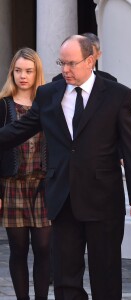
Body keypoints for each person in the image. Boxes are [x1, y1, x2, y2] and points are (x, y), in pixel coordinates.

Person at [0, 35, 131, 300]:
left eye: (71, 63)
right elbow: (19, 130)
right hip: (62, 198)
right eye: (61, 63)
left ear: (90, 61)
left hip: (103, 199)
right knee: (66, 280)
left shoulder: (117, 95)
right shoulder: (48, 94)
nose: (65, 70)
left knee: (106, 276)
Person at [0, 48, 51, 300]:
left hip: (42, 186)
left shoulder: (49, 106)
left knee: (43, 247)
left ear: (37, 73)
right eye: (18, 70)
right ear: (12, 73)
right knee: (18, 250)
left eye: (29, 71)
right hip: (12, 185)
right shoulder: (3, 106)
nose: (23, 76)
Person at [52, 32, 117, 82]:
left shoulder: (110, 81)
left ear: (98, 55)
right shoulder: (57, 81)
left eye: (72, 64)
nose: (65, 70)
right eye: (62, 63)